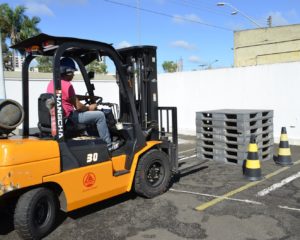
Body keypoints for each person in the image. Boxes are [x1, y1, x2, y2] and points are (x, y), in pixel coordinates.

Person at [47, 57, 116, 148]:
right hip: (69, 117)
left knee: (92, 114)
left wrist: (87, 97)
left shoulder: (53, 83)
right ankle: (108, 146)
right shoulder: (67, 85)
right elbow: (79, 107)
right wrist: (89, 108)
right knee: (100, 115)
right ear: (68, 72)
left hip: (62, 116)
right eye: (73, 72)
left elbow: (70, 97)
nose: (73, 75)